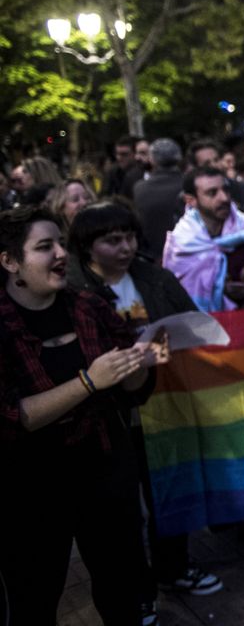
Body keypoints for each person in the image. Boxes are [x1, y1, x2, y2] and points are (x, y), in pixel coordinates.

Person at [0, 207, 159, 625]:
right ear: (10, 260)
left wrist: (140, 362)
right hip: (30, 486)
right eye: (43, 246)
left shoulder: (88, 305)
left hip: (105, 467)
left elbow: (131, 391)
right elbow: (17, 417)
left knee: (122, 587)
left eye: (59, 244)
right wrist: (89, 381)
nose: (59, 254)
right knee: (34, 598)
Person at [65, 201, 224, 611]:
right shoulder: (73, 291)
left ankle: (173, 567)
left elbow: (192, 322)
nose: (125, 247)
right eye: (111, 240)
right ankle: (136, 596)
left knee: (169, 491)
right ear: (85, 247)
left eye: (130, 237)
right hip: (109, 416)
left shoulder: (155, 276)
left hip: (163, 405)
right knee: (120, 513)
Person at [163, 167, 244, 311]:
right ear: (191, 200)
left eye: (225, 190)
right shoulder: (182, 243)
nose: (224, 198)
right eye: (212, 193)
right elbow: (174, 294)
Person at [133, 138, 185, 260]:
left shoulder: (139, 188)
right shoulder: (190, 184)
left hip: (152, 256)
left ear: (152, 160)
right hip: (185, 253)